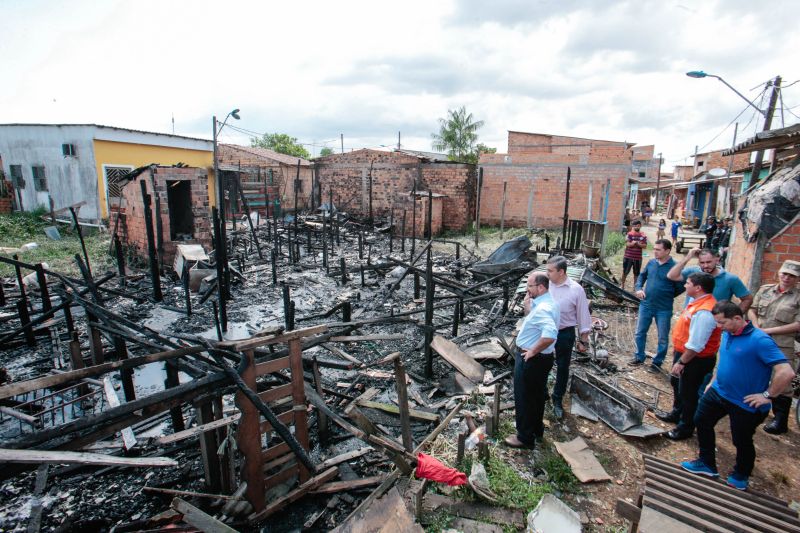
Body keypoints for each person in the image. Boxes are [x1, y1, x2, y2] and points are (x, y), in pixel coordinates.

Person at [681, 301, 795, 490]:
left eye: (722, 322)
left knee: (741, 439)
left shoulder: (760, 340)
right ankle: (706, 463)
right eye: (717, 323)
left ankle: (741, 474)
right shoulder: (728, 333)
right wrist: (713, 381)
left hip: (745, 402)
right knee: (701, 420)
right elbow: (726, 359)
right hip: (719, 392)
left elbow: (786, 372)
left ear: (737, 318)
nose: (719, 327)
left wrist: (767, 395)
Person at [662, 272, 720, 440]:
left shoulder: (705, 312)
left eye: (687, 283)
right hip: (685, 353)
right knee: (677, 384)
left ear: (698, 288)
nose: (685, 285)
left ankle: (685, 428)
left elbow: (697, 344)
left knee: (689, 394)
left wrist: (682, 361)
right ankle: (677, 413)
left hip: (695, 359)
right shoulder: (697, 302)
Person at [506, 273, 559, 449]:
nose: (527, 289)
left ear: (541, 287)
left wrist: (532, 351)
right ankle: (536, 430)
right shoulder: (548, 302)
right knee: (537, 396)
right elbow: (535, 322)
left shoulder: (543, 309)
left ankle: (524, 437)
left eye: (530, 286)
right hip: (543, 359)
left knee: (524, 397)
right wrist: (527, 307)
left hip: (532, 359)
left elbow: (550, 335)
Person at [748, 260, 800, 434]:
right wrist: (756, 326)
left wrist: (768, 331)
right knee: (754, 372)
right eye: (784, 274)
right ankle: (754, 407)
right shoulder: (765, 290)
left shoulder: (798, 297)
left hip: (782, 343)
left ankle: (780, 420)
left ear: (797, 279)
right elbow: (752, 309)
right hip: (758, 339)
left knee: (782, 379)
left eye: (792, 276)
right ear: (779, 273)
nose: (786, 278)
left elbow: (798, 324)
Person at [545, 256, 592, 419]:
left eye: (550, 271)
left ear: (561, 272)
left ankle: (557, 398)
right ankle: (543, 393)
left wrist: (583, 340)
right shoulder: (546, 285)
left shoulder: (575, 289)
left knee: (563, 367)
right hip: (545, 331)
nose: (547, 273)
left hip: (565, 332)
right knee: (542, 362)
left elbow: (583, 315)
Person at [631, 239, 685, 371]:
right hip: (646, 304)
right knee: (640, 332)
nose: (655, 252)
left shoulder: (675, 267)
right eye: (654, 249)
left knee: (662, 337)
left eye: (658, 250)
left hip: (664, 308)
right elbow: (641, 277)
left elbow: (681, 287)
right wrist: (638, 288)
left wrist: (668, 294)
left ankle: (657, 362)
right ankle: (639, 356)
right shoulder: (651, 263)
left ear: (667, 251)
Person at [666, 247, 753, 313]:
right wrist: (688, 257)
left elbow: (747, 299)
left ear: (717, 260)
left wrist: (733, 317)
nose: (705, 266)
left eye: (709, 262)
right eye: (702, 263)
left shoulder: (730, 279)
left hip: (715, 324)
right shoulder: (693, 271)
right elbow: (671, 276)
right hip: (690, 319)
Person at [621, 220, 647, 290]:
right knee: (625, 272)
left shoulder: (643, 235)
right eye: (635, 226)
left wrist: (636, 243)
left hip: (638, 258)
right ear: (633, 226)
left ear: (640, 226)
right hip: (628, 256)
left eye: (638, 225)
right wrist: (635, 243)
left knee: (636, 273)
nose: (636, 227)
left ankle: (635, 287)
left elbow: (644, 246)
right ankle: (622, 285)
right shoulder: (630, 234)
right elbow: (628, 244)